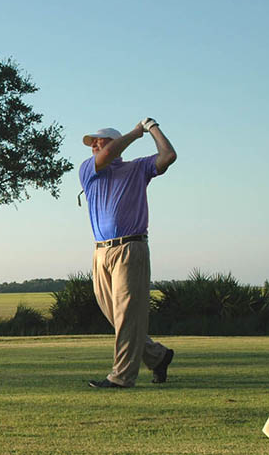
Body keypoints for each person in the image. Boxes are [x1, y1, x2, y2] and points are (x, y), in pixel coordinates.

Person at [79, 117, 177, 388]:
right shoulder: (89, 170)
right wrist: (136, 132)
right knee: (118, 315)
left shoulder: (138, 168)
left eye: (99, 141)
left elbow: (168, 155)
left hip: (130, 247)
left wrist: (152, 127)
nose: (94, 146)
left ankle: (121, 377)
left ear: (115, 143)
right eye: (92, 143)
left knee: (125, 315)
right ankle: (158, 356)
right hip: (100, 252)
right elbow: (108, 155)